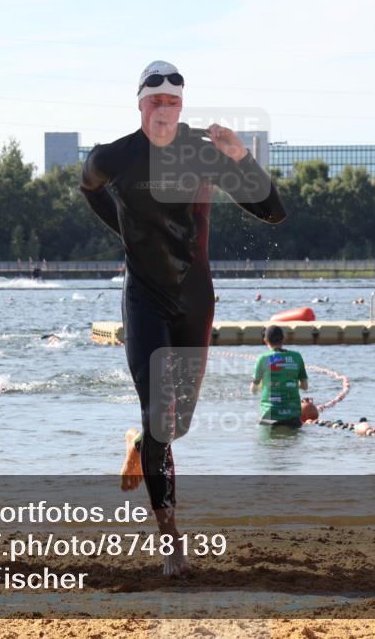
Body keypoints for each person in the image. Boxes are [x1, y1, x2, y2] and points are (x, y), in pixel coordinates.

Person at [80, 60, 286, 577]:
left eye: (174, 102)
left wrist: (244, 157)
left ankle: (140, 443)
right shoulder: (114, 156)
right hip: (144, 299)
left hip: (194, 299)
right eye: (156, 102)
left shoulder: (203, 151)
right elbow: (89, 187)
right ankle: (171, 542)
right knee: (158, 415)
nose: (165, 111)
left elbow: (273, 211)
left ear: (181, 106)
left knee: (176, 424)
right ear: (141, 105)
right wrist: (124, 232)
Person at [250, 325, 309, 428]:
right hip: (293, 415)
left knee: (265, 441)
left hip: (269, 415)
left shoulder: (263, 358)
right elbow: (304, 386)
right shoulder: (296, 357)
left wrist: (264, 385)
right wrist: (290, 384)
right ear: (283, 339)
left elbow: (253, 390)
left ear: (266, 340)